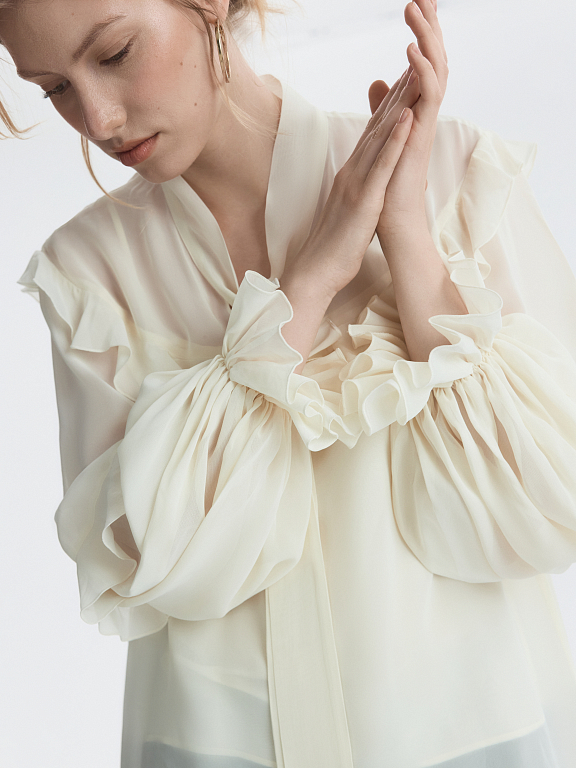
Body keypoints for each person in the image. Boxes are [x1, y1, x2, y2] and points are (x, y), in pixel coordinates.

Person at [4, 0, 576, 765]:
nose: (98, 119)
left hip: (469, 733)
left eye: (114, 54)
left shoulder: (454, 177)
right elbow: (147, 564)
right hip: (217, 744)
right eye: (54, 88)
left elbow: (546, 500)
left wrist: (407, 233)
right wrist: (307, 287)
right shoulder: (90, 279)